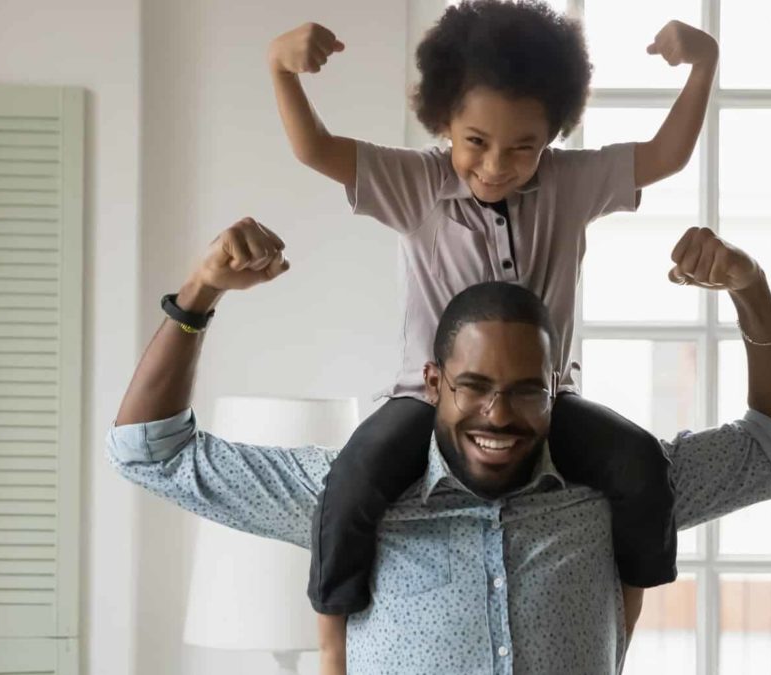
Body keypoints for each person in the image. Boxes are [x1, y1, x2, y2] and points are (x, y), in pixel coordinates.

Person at [108, 217, 771, 674]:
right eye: (473, 385)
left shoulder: (616, 490)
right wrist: (200, 292)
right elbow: (151, 451)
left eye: (524, 389)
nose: (497, 412)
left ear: (557, 386)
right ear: (432, 381)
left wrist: (750, 288)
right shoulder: (346, 493)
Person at [265, 0, 722, 647]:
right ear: (444, 120)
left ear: (553, 135)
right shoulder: (416, 183)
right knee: (352, 482)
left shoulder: (570, 185)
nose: (496, 164)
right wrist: (281, 69)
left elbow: (665, 155)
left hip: (546, 402)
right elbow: (314, 147)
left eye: (523, 148)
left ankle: (618, 632)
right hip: (427, 403)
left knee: (640, 464)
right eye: (475, 141)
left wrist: (704, 65)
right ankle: (333, 646)